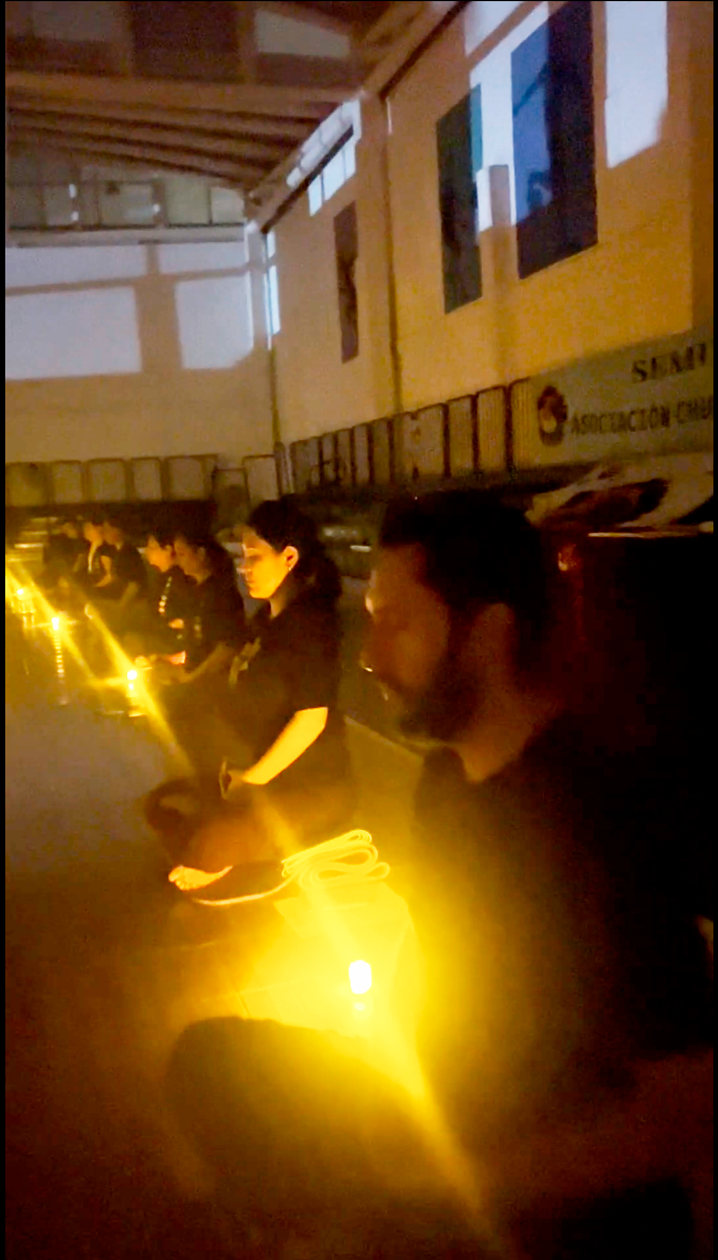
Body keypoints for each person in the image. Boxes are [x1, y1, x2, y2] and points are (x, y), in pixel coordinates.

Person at [166, 489, 712, 1257]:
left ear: (489, 634)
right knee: (213, 1065)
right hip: (448, 1113)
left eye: (396, 624)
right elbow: (441, 952)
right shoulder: (446, 784)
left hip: (552, 1200)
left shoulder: (599, 816)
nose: (368, 657)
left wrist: (429, 1184)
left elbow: (683, 1113)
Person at [144, 497, 355, 895]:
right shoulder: (266, 620)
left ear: (289, 557)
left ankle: (255, 849)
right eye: (242, 556)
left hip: (308, 787)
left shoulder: (310, 625)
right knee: (163, 805)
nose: (244, 567)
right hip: (252, 772)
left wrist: (252, 781)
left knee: (208, 846)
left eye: (254, 556)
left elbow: (312, 718)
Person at [121, 527, 191, 661]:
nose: (147, 551)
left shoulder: (181, 580)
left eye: (152, 547)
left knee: (130, 642)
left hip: (173, 643)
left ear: (168, 550)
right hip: (159, 634)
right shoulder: (161, 577)